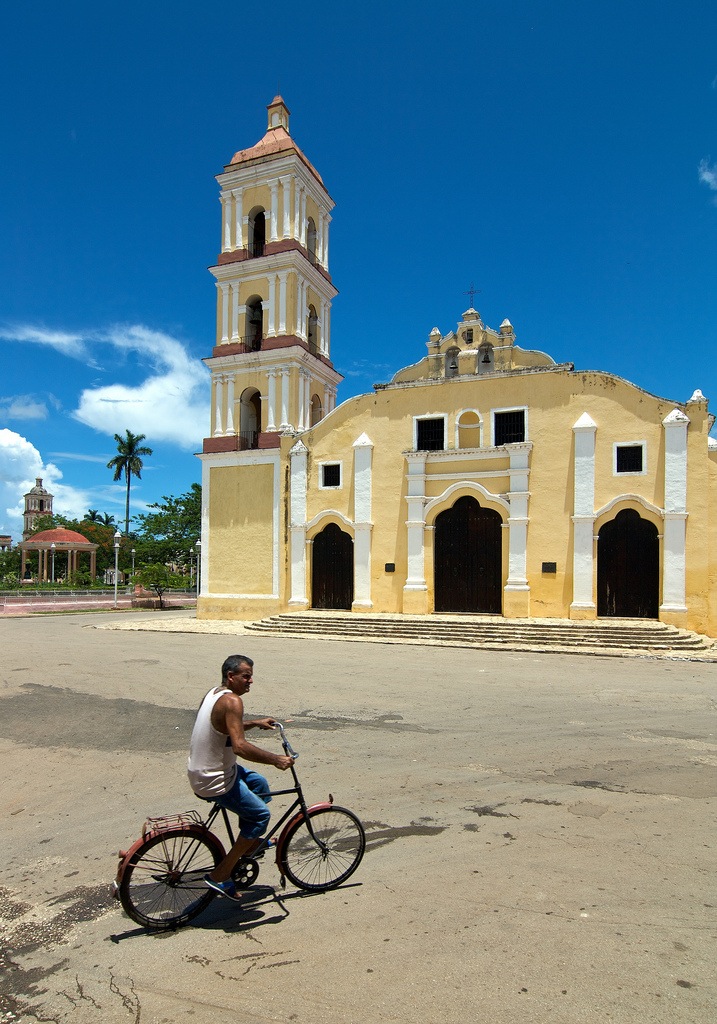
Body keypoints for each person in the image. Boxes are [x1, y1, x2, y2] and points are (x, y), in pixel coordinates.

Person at [187, 653, 294, 900]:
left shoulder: (214, 693)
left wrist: (254, 722)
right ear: (231, 676)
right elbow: (240, 747)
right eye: (246, 676)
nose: (251, 681)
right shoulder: (233, 701)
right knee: (261, 815)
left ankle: (250, 841)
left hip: (205, 769)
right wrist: (277, 759)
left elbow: (222, 726)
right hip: (214, 778)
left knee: (259, 783)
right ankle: (220, 876)